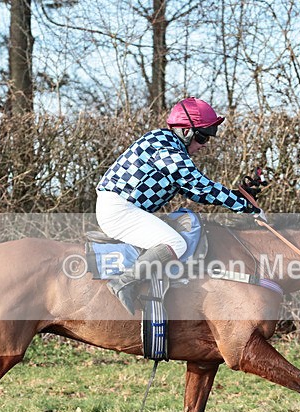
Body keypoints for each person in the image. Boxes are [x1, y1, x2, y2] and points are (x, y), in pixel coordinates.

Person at [96, 97, 263, 313]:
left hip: (124, 207)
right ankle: (124, 283)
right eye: (202, 137)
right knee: (175, 243)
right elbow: (199, 184)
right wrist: (243, 205)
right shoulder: (165, 147)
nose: (204, 145)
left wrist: (234, 196)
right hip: (119, 210)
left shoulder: (170, 146)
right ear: (185, 131)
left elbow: (195, 192)